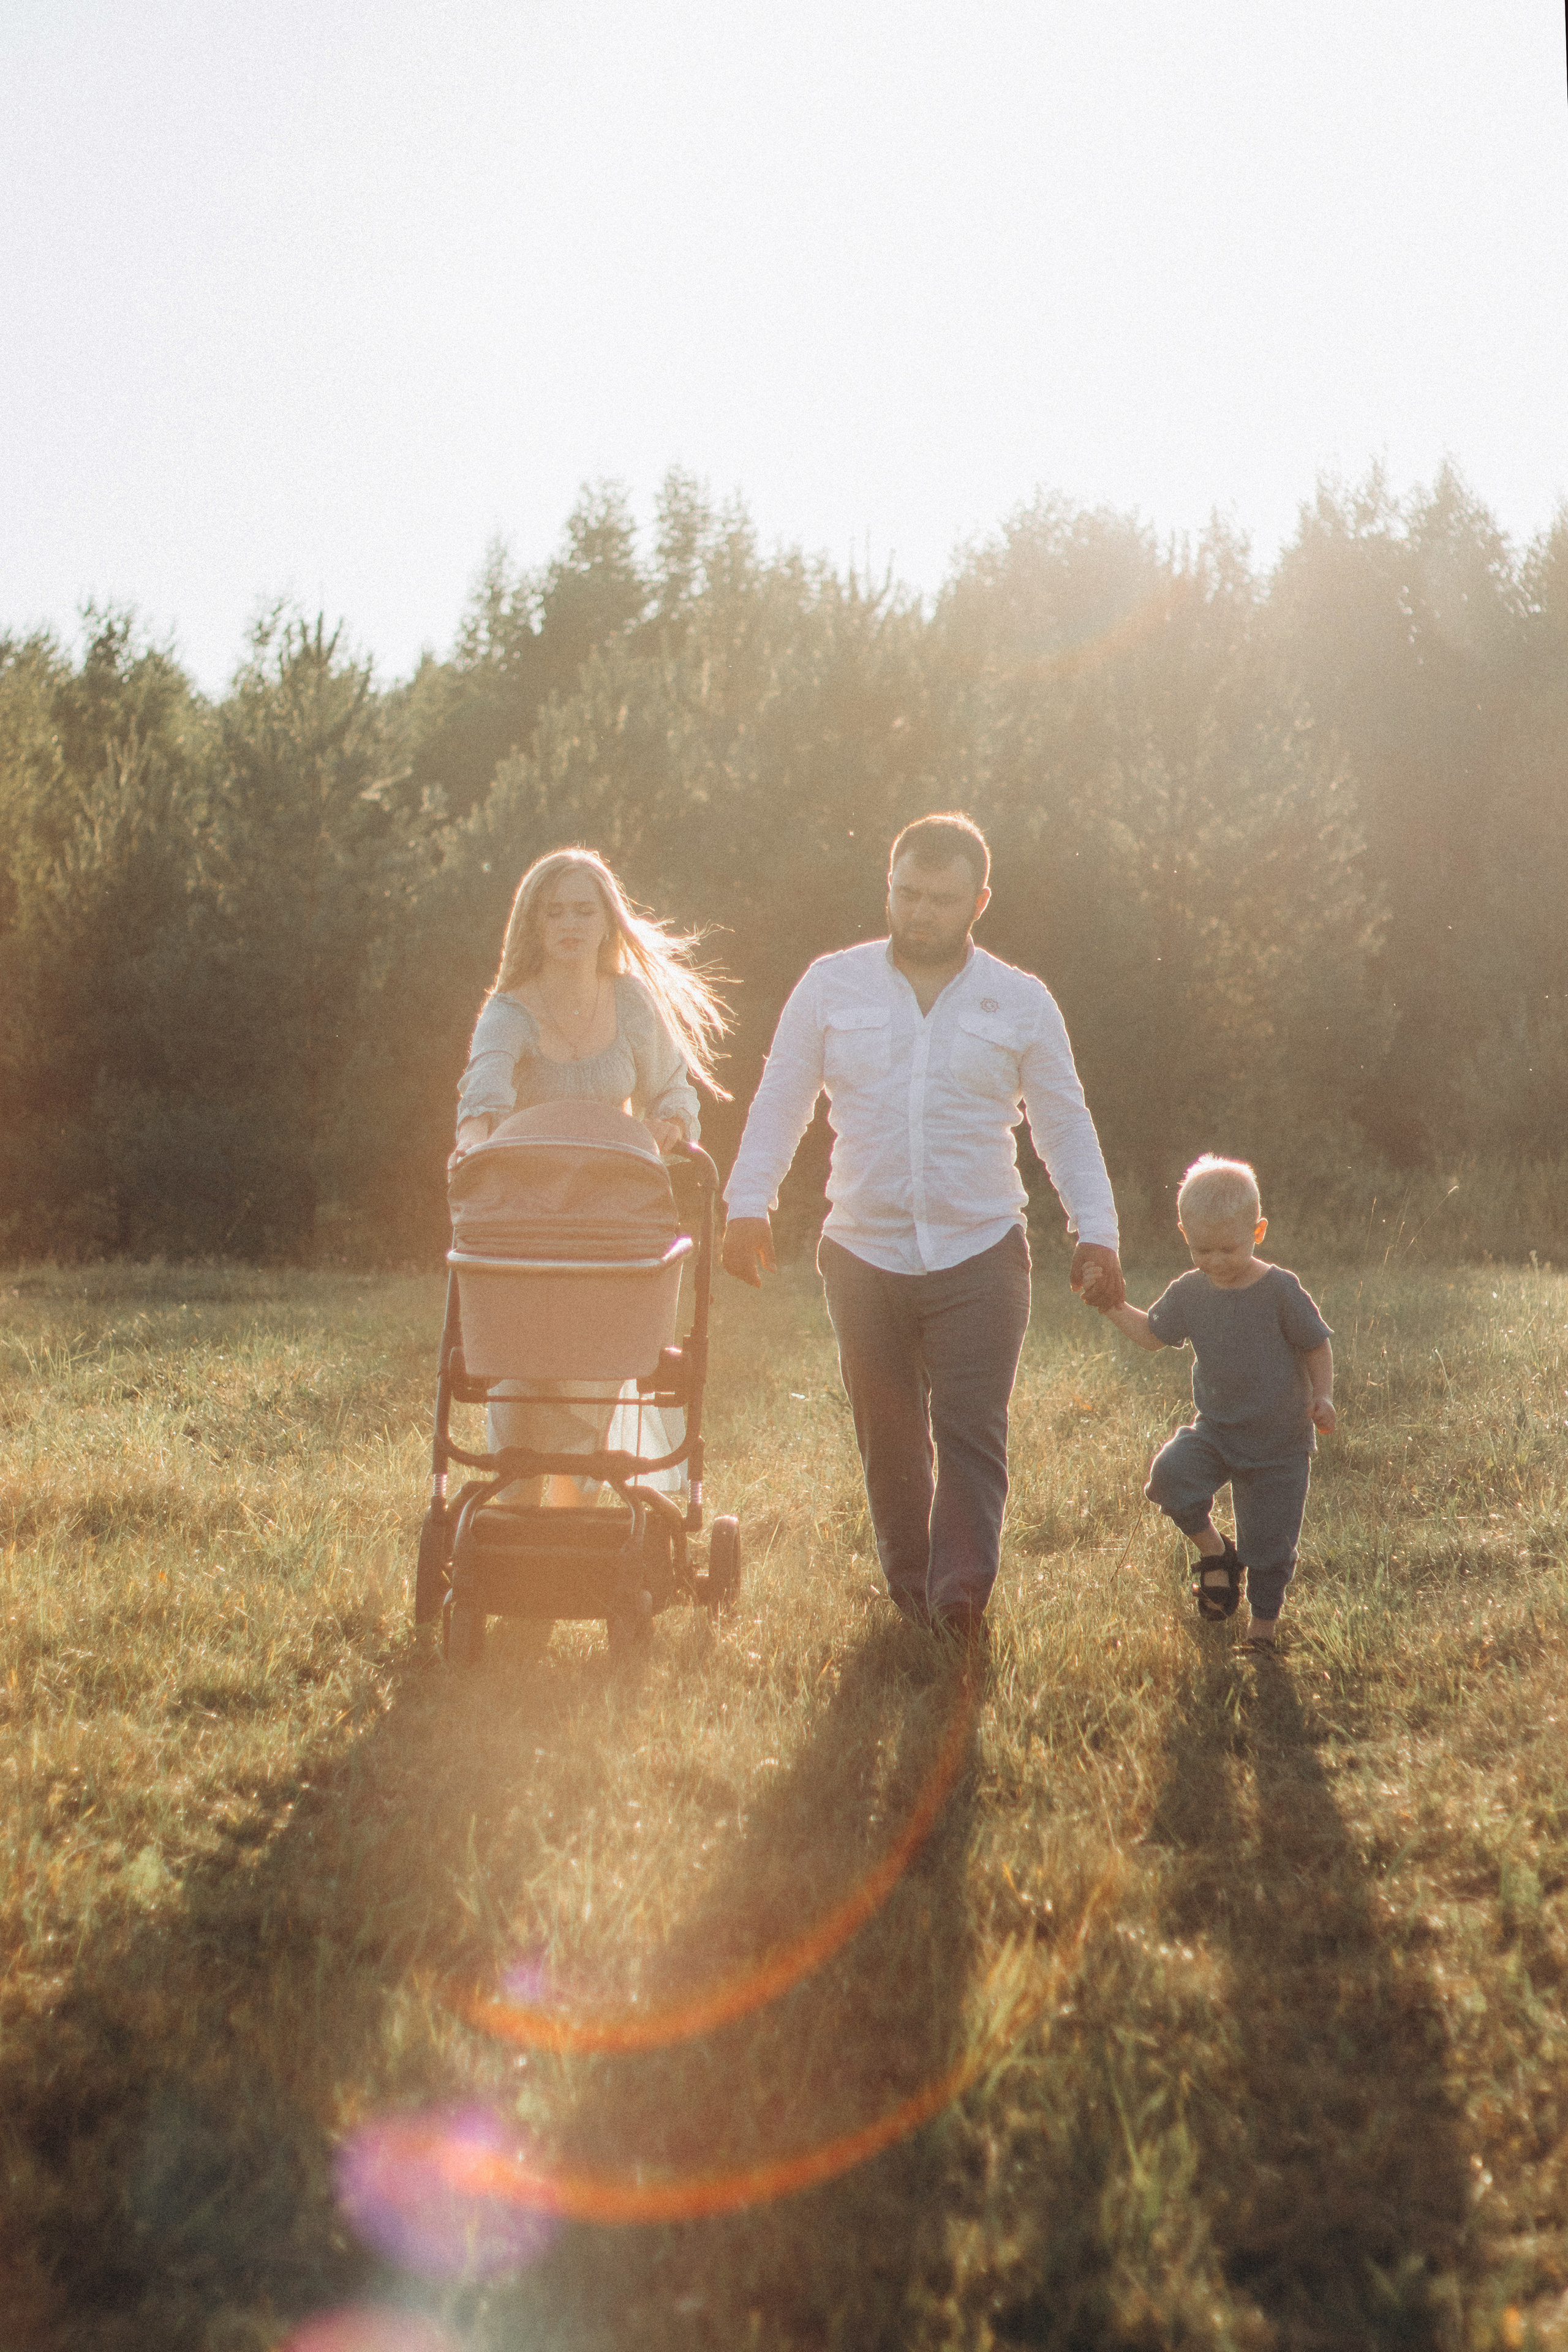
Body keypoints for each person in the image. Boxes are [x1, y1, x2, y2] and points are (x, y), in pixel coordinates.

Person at [721, 812, 1123, 1636]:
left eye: (941, 899)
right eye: (907, 893)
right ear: (889, 887)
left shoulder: (1019, 1001)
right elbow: (782, 1100)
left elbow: (1064, 1124)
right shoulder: (831, 986)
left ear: (979, 900)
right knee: (891, 1439)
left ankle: (958, 1603)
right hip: (861, 1252)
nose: (920, 914)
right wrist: (745, 1204)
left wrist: (1097, 1231)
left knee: (971, 1429)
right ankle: (911, 1597)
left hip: (980, 1249)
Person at [452, 848, 727, 1504]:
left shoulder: (631, 1004)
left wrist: (671, 1127)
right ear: (533, 924)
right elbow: (482, 1093)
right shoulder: (509, 1012)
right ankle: (521, 1518)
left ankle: (577, 1520)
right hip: (528, 1219)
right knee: (527, 1377)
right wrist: (473, 1142)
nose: (570, 925)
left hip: (613, 1222)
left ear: (607, 922)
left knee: (594, 1373)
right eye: (556, 912)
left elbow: (675, 1092)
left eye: (584, 910)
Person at [1088, 1155, 1335, 1649]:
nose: (1217, 1261)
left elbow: (1315, 1344)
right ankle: (1216, 1551)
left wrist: (1323, 1395)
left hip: (1278, 1444)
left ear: (1258, 1231)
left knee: (1269, 1545)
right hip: (1217, 1432)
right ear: (1183, 1233)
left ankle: (1262, 1630)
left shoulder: (1281, 1291)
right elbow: (1153, 1336)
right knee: (1170, 1475)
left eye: (1230, 1248)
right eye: (1203, 1249)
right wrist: (1111, 1304)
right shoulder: (1189, 1292)